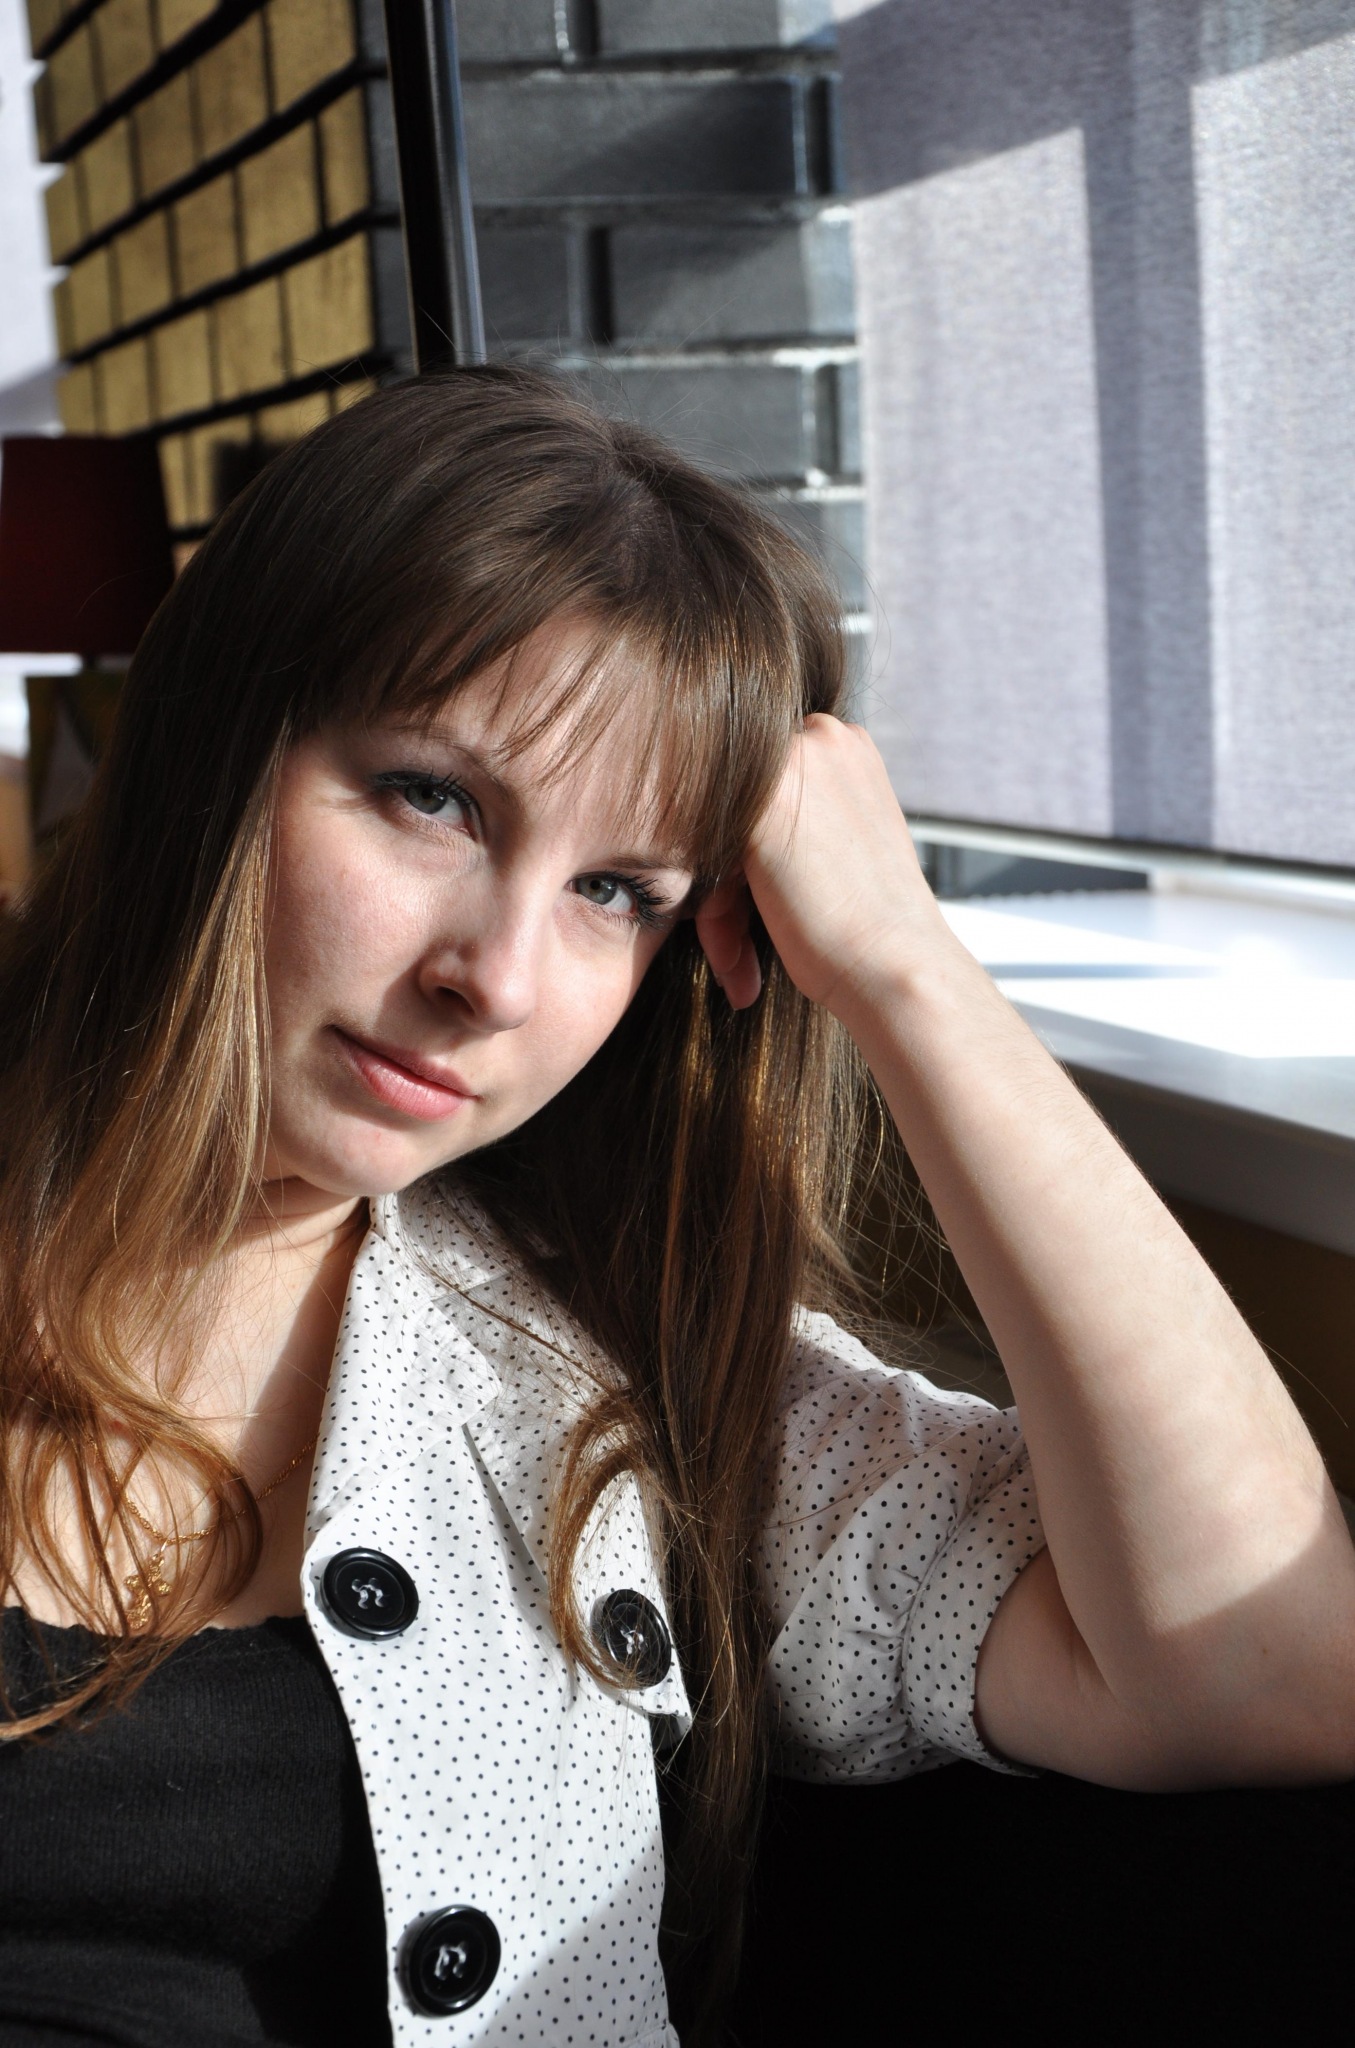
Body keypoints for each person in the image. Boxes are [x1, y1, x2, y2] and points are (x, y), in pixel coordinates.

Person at [0, 365, 1351, 2048]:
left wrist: (906, 967)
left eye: (616, 892)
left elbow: (1267, 1669)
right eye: (433, 798)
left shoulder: (629, 1398)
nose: (496, 977)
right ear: (220, 738)